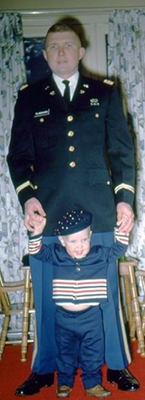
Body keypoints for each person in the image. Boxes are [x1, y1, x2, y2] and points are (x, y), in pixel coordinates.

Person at [7, 21, 139, 397]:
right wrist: (28, 197)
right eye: (53, 46)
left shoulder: (105, 93)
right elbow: (18, 156)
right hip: (47, 218)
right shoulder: (30, 97)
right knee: (49, 296)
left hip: (98, 213)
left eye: (68, 45)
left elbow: (122, 152)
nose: (61, 52)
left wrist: (124, 201)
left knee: (106, 295)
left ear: (81, 50)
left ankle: (116, 367)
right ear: (45, 54)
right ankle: (45, 369)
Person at [28, 209, 130, 398]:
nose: (80, 246)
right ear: (62, 241)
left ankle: (92, 383)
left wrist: (122, 230)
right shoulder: (56, 254)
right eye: (73, 241)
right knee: (65, 351)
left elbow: (118, 249)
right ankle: (64, 382)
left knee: (94, 352)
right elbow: (36, 252)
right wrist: (37, 232)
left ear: (90, 236)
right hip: (63, 318)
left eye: (84, 240)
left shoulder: (99, 254)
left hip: (91, 317)